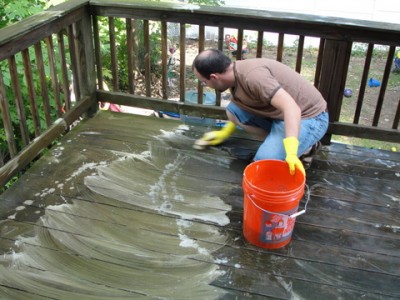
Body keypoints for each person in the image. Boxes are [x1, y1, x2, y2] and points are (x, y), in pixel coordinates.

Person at [192, 48, 329, 175]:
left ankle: (301, 147)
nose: (206, 86)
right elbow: (242, 105)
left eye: (204, 82)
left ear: (214, 77)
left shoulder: (253, 77)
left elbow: (291, 108)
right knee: (233, 111)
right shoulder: (235, 74)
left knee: (263, 163)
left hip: (311, 118)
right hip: (281, 115)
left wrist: (291, 153)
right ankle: (284, 145)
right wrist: (225, 131)